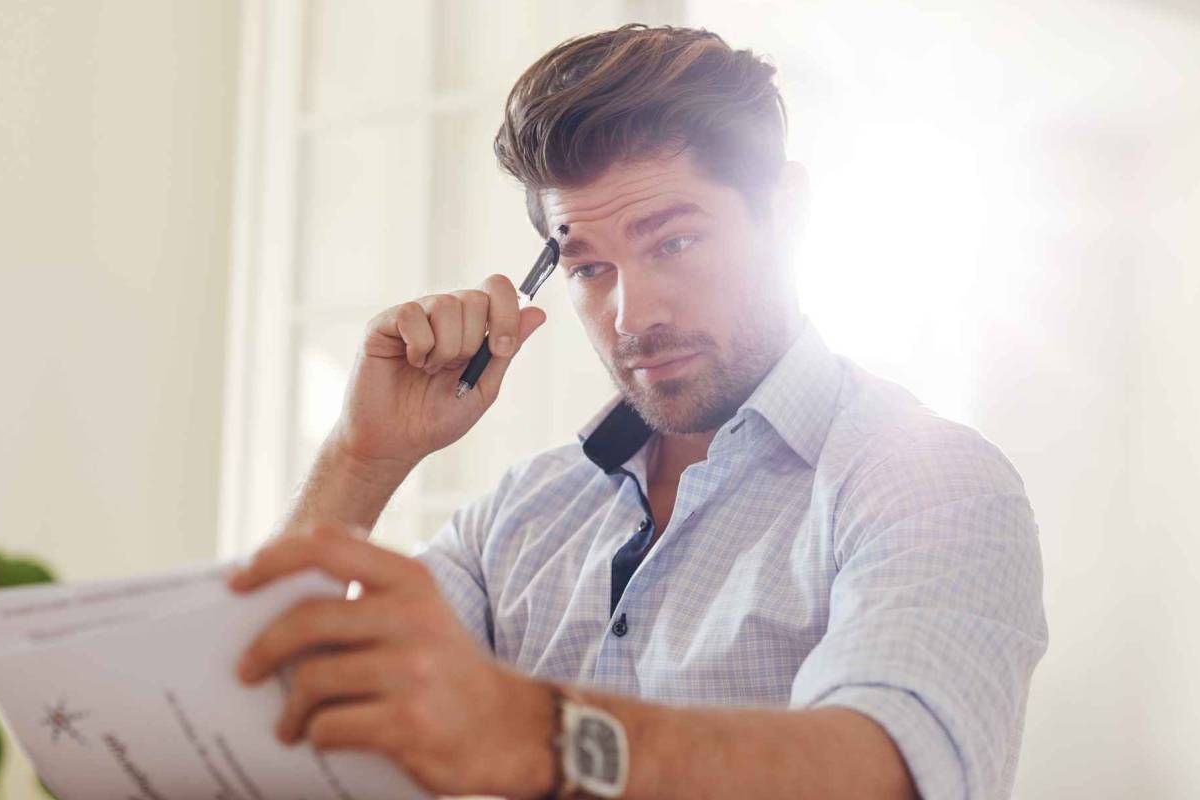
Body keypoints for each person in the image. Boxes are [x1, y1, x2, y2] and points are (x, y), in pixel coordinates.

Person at [229, 24, 1045, 800]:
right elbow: (259, 728)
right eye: (588, 269)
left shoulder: (928, 482)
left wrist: (534, 734)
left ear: (786, 212)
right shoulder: (517, 523)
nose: (630, 316)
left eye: (674, 243)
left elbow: (890, 771)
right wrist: (363, 459)